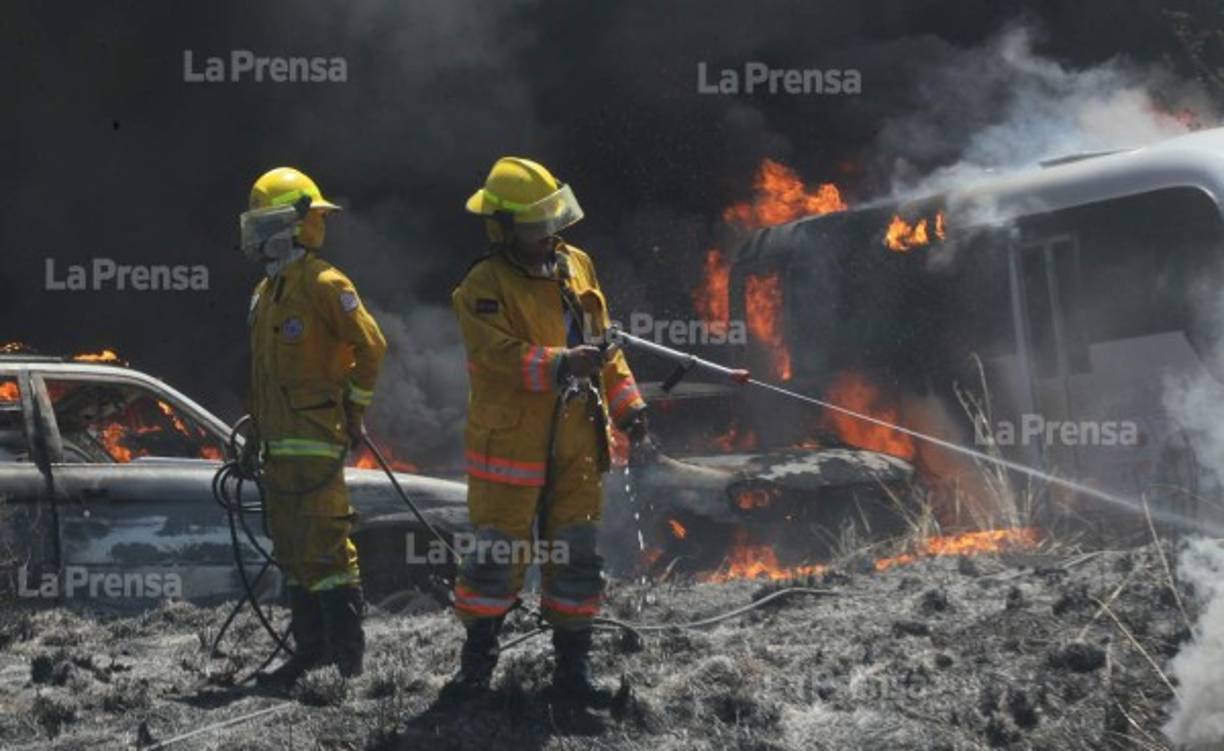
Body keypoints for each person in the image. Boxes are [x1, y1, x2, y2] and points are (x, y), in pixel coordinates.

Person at [446, 156, 649, 707]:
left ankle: (572, 678)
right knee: (494, 558)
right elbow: (495, 356)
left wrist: (628, 404)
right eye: (536, 224)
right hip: (510, 445)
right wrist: (563, 363)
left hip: (578, 442)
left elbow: (605, 348)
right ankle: (473, 675)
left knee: (576, 554)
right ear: (503, 227)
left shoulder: (577, 265)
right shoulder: (482, 285)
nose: (550, 233)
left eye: (552, 219)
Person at [240, 166, 387, 687]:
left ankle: (346, 661)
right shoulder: (265, 294)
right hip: (277, 450)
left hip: (316, 443)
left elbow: (371, 346)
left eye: (263, 224)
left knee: (327, 549)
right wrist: (255, 432)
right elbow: (263, 374)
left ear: (289, 224)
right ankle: (309, 654)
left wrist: (354, 408)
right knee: (293, 551)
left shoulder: (326, 284)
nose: (255, 236)